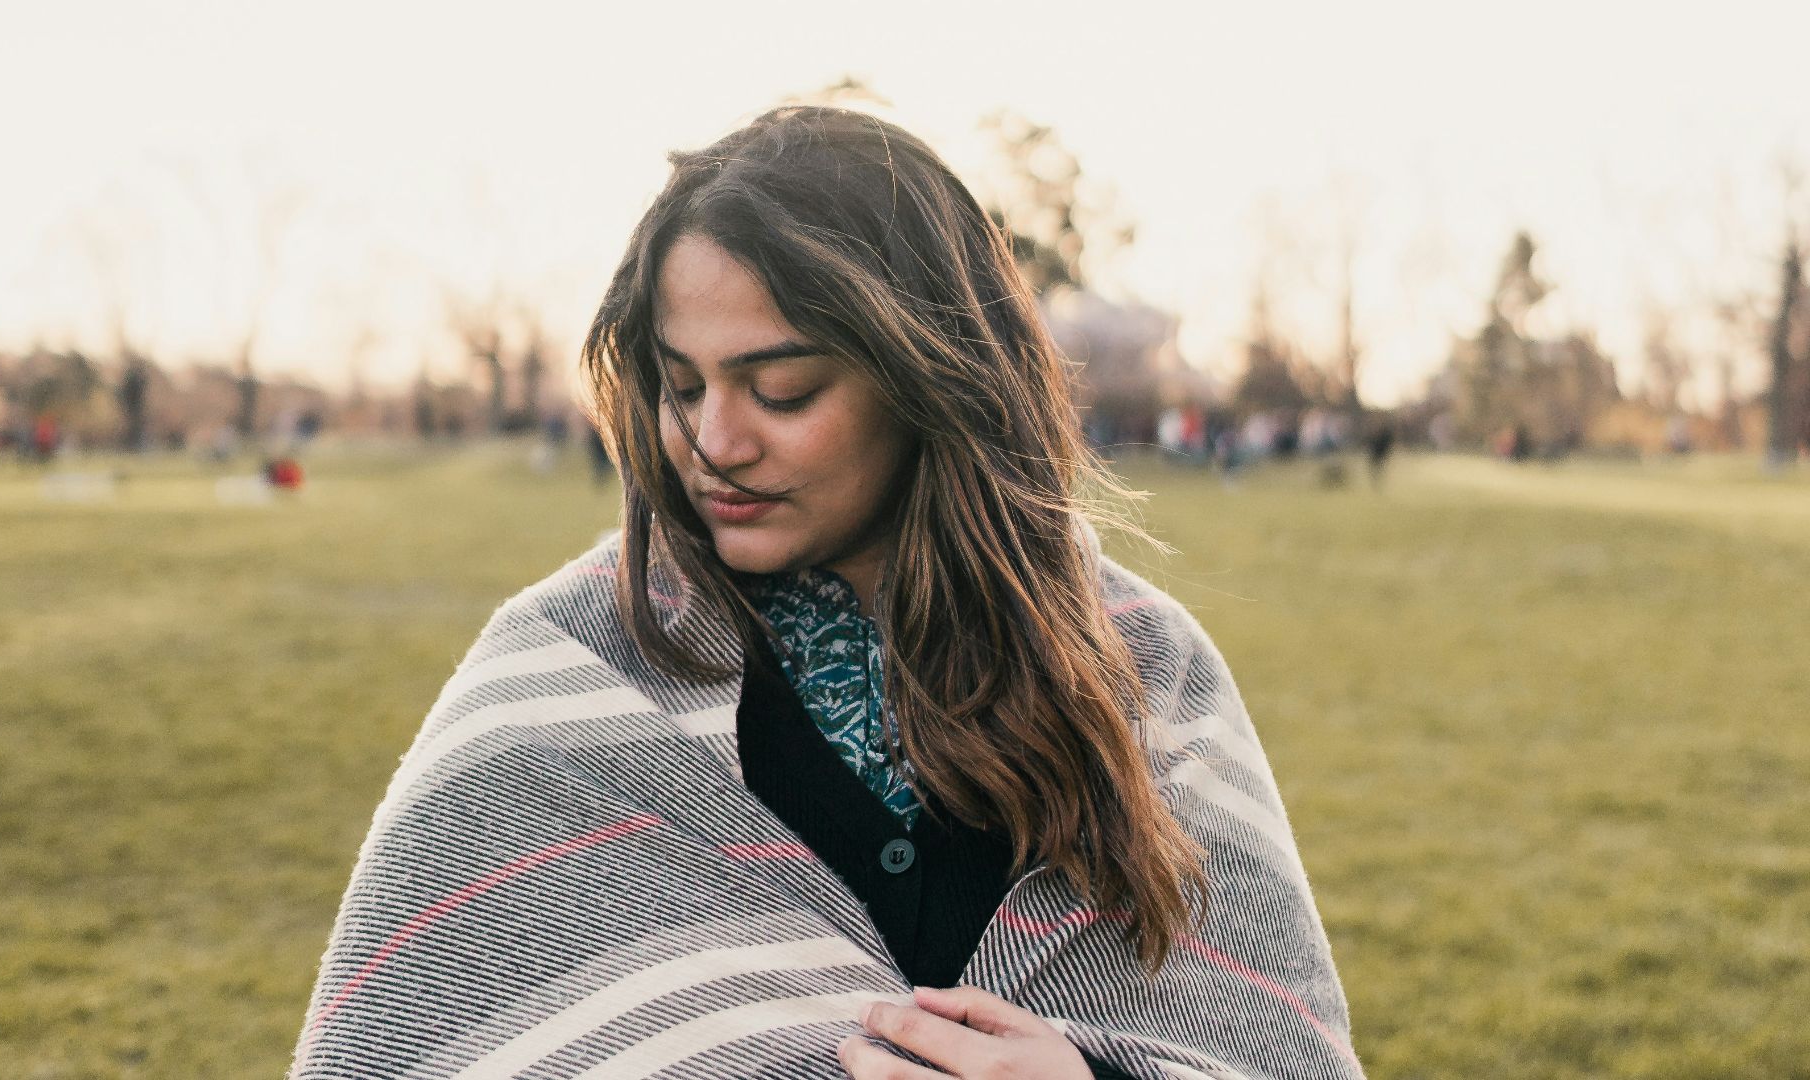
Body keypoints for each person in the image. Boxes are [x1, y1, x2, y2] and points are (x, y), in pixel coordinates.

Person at [290, 107, 1359, 1079]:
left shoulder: (1140, 665)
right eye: (682, 384)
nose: (715, 442)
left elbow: (1269, 1049)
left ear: (929, 378)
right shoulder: (561, 671)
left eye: (783, 389)